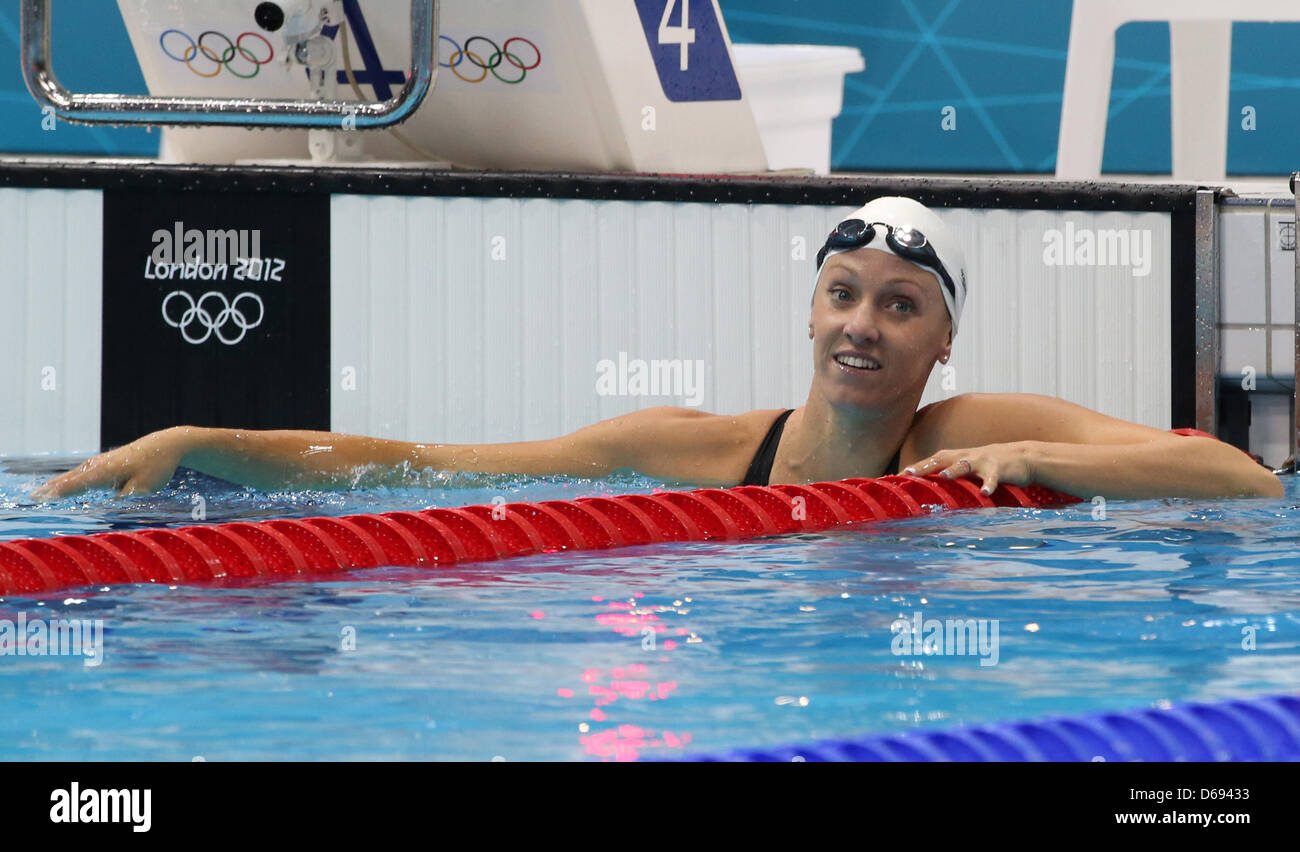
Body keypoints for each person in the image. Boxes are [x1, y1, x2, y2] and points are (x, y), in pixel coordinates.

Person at [32, 197, 1283, 502]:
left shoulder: (970, 436)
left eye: (901, 306)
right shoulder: (686, 452)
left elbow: (1246, 480)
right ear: (807, 312)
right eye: (843, 294)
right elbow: (430, 467)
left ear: (943, 338)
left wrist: (1027, 455)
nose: (861, 325)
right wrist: (204, 443)